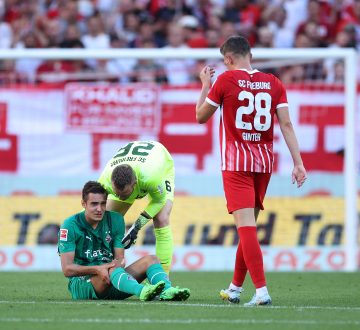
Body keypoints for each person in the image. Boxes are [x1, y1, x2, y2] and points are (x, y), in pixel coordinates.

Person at [196, 36, 307, 306]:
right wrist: (298, 162)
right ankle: (235, 288)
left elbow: (200, 116)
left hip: (236, 164)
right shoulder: (274, 83)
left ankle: (261, 292)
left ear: (228, 59)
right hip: (263, 163)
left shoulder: (224, 80)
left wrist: (205, 85)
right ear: (251, 55)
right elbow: (287, 125)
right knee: (248, 228)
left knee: (245, 229)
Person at [58, 181, 190, 301]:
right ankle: (143, 291)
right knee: (112, 269)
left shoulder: (116, 220)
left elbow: (120, 259)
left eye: (103, 203)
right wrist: (99, 269)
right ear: (83, 204)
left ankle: (167, 291)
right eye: (94, 204)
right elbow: (67, 269)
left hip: (113, 279)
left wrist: (114, 266)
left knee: (152, 260)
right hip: (83, 285)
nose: (99, 209)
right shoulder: (70, 225)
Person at [97, 141, 174, 274]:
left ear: (135, 184)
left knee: (161, 218)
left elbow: (159, 201)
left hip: (161, 161)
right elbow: (90, 210)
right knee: (105, 222)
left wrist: (136, 227)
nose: (120, 198)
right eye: (117, 194)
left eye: (124, 194)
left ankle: (163, 277)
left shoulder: (151, 178)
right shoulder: (105, 181)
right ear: (112, 183)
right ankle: (104, 269)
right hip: (137, 162)